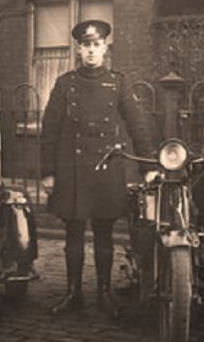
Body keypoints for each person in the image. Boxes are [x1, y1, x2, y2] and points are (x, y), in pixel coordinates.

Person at [40, 20, 155, 319]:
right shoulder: (65, 84)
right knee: (73, 233)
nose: (91, 50)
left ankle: (105, 293)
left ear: (105, 47)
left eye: (97, 44)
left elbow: (136, 124)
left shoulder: (118, 82)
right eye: (86, 45)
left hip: (107, 165)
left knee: (104, 232)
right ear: (78, 49)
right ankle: (73, 292)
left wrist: (148, 165)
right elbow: (49, 130)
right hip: (72, 167)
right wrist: (47, 172)